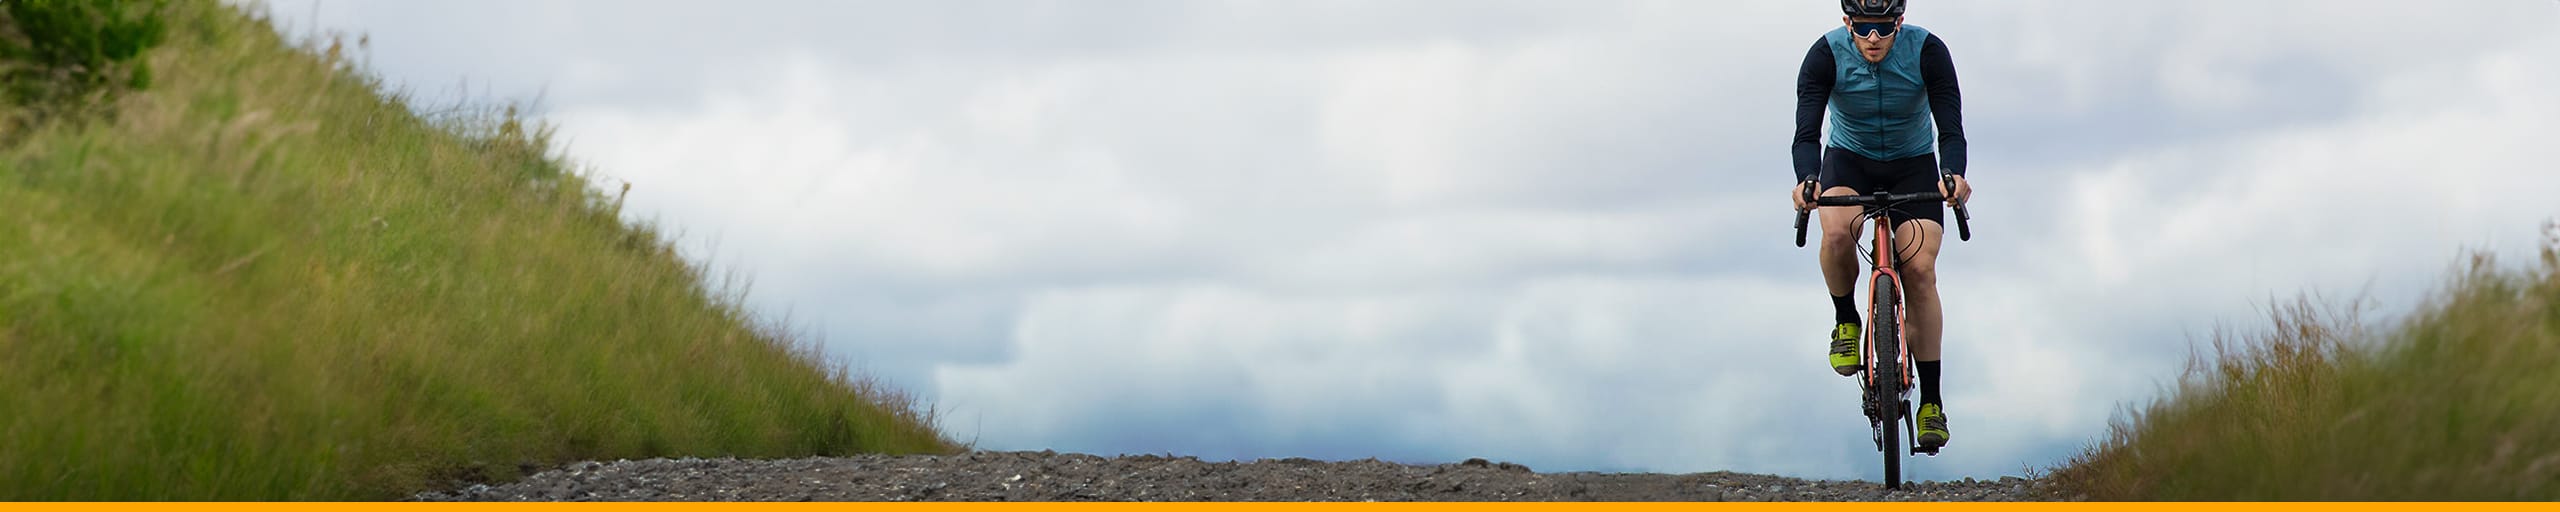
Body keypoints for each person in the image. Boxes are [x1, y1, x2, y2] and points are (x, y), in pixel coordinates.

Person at [1788, 0, 1971, 451]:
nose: (1873, 38)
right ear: (1847, 22)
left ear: (1900, 23)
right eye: (1864, 28)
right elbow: (1806, 134)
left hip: (1913, 165)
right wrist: (1807, 180)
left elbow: (1950, 129)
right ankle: (1846, 320)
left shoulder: (1928, 52)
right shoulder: (1824, 55)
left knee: (1920, 271)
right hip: (1849, 161)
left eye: (1884, 28)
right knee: (1836, 231)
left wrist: (1953, 175)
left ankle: (1931, 402)